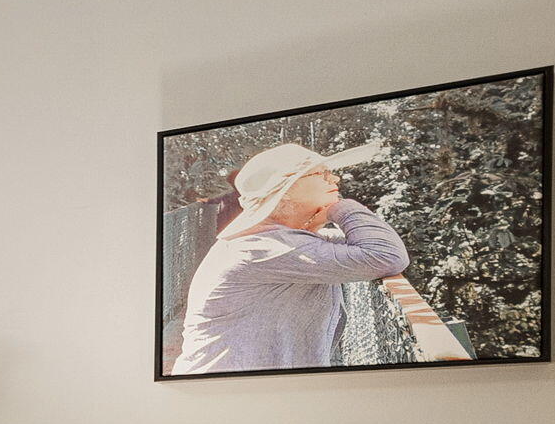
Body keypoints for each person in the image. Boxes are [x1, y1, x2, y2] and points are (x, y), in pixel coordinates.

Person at [171, 138, 406, 375]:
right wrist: (342, 207)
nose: (335, 179)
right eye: (320, 174)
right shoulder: (265, 246)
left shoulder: (280, 241)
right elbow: (385, 255)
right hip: (222, 397)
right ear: (286, 192)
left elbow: (372, 246)